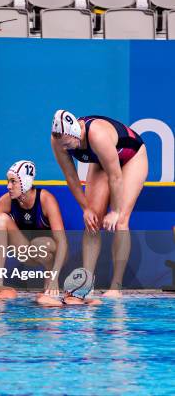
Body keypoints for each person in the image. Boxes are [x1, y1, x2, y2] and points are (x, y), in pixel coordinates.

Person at [51, 110, 147, 297]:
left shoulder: (98, 135)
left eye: (69, 145)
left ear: (75, 132)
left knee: (121, 221)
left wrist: (116, 210)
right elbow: (71, 176)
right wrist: (85, 208)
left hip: (131, 157)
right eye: (63, 147)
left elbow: (116, 176)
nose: (66, 150)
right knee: (92, 221)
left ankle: (116, 287)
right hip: (102, 160)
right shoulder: (58, 141)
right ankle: (86, 282)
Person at [0, 161, 67, 295]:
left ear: (25, 182)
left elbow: (62, 242)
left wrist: (55, 276)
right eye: (8, 181)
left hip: (50, 252)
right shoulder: (5, 200)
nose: (8, 186)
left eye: (13, 181)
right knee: (0, 220)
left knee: (39, 244)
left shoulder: (45, 199)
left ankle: (50, 276)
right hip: (27, 251)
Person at [36, 267, 102, 306]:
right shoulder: (89, 304)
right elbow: (98, 301)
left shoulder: (59, 304)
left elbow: (41, 299)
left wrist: (41, 295)